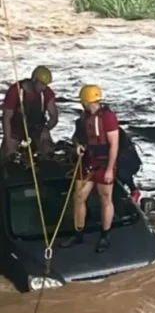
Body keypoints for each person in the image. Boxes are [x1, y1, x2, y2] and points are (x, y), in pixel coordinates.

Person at [60, 84, 118, 253]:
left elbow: (114, 144)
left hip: (103, 164)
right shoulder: (83, 118)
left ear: (85, 101)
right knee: (78, 197)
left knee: (105, 198)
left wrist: (110, 169)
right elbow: (76, 137)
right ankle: (78, 234)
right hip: (87, 163)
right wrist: (78, 145)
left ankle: (105, 235)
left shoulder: (108, 117)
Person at [1, 65, 58, 161]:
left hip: (37, 128)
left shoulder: (46, 93)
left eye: (46, 85)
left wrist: (46, 128)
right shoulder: (15, 91)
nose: (44, 87)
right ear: (34, 80)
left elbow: (54, 116)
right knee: (7, 154)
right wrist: (8, 142)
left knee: (48, 149)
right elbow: (6, 118)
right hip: (16, 129)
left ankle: (46, 162)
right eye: (42, 84)